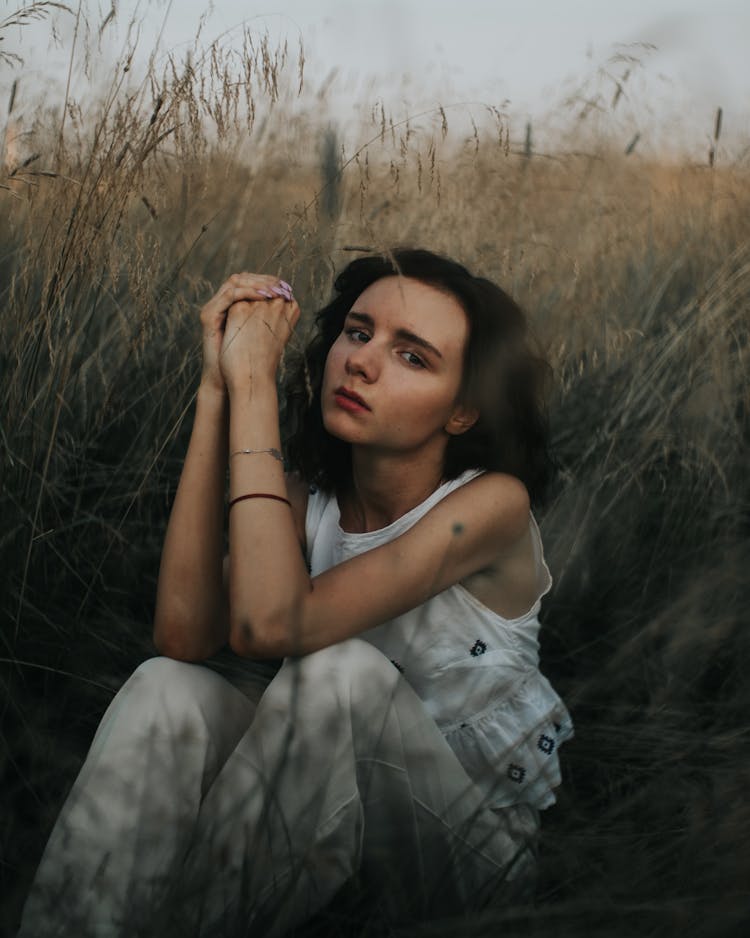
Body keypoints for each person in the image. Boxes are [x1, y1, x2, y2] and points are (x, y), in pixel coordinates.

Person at [18, 248, 573, 937]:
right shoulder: (308, 500)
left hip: (467, 859)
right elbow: (186, 635)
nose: (363, 362)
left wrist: (256, 389)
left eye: (413, 357)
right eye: (359, 332)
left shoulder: (490, 507)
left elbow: (271, 626)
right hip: (325, 805)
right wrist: (216, 391)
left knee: (339, 675)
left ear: (462, 412)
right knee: (167, 689)